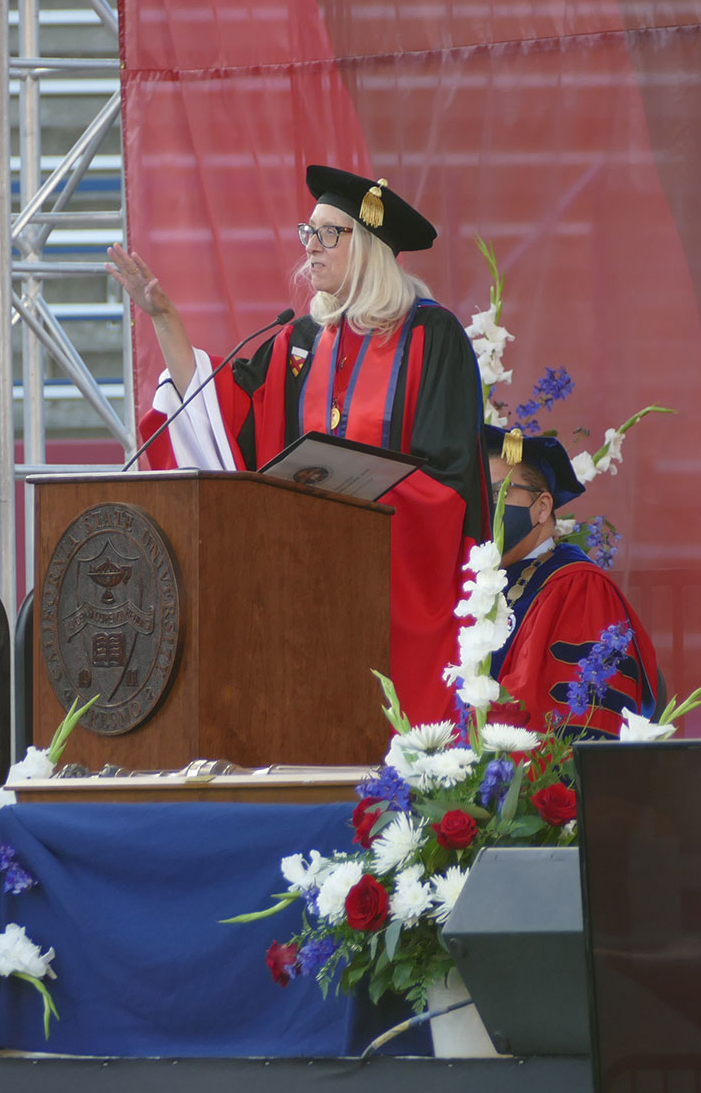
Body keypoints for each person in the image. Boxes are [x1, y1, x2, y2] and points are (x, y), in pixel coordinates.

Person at [106, 166, 488, 723]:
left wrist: (359, 499)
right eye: (307, 232)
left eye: (328, 233)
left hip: (394, 575)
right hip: (305, 576)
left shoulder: (431, 335)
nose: (311, 247)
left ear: (372, 247)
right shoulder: (300, 339)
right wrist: (166, 320)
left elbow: (451, 478)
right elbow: (222, 419)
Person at [482, 427, 660, 734]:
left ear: (541, 507)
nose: (486, 505)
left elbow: (571, 725)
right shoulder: (479, 584)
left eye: (499, 493)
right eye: (480, 493)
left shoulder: (579, 588)